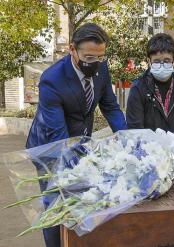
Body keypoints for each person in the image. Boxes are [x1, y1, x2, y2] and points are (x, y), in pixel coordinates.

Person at [26, 23, 127, 247]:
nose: (95, 63)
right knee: (56, 205)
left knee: (82, 202)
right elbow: (58, 134)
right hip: (49, 147)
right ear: (72, 49)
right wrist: (77, 164)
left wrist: (127, 138)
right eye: (89, 57)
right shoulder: (52, 79)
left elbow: (110, 107)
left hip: (80, 141)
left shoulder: (101, 67)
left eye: (100, 57)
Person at [126, 33, 174, 176]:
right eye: (156, 61)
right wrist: (146, 155)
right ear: (149, 61)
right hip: (148, 160)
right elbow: (134, 129)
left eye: (167, 60)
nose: (162, 65)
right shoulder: (139, 87)